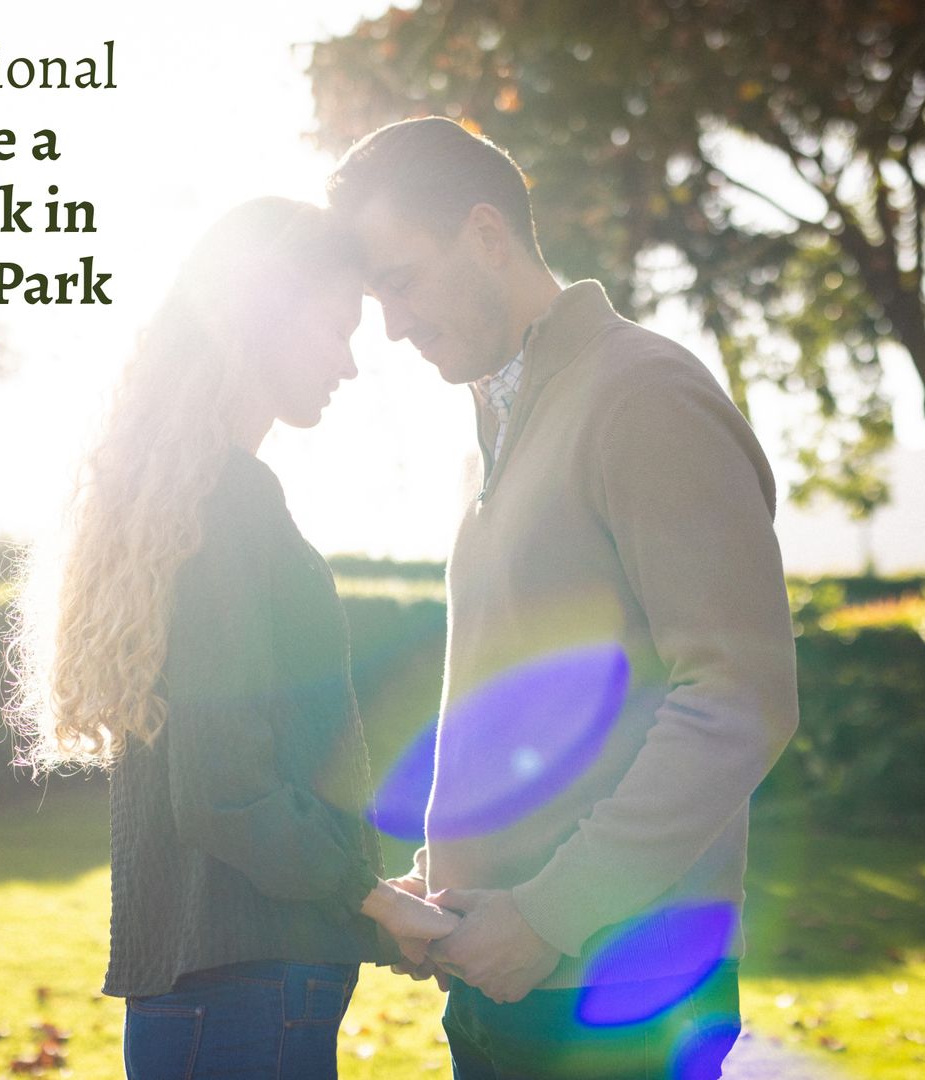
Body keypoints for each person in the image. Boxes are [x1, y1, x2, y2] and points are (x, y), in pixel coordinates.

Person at [326, 118, 800, 1079]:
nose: (393, 326)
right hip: (508, 982)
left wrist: (549, 913)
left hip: (617, 1000)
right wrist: (454, 878)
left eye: (402, 280)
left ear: (488, 237)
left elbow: (737, 697)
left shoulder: (645, 398)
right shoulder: (502, 427)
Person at [2, 196, 458, 1080]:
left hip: (217, 990)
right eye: (336, 329)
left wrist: (363, 898)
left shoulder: (184, 502)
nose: (351, 364)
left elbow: (237, 776)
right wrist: (362, 893)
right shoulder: (229, 503)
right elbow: (223, 790)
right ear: (260, 321)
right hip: (246, 996)